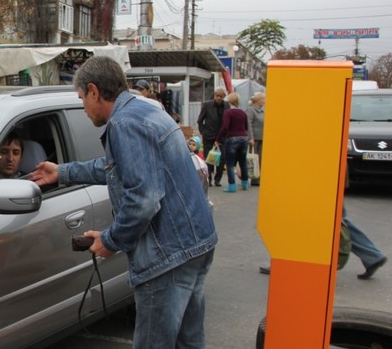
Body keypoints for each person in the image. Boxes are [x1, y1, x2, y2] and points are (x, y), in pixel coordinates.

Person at [29, 56, 217, 348]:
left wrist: (111, 240)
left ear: (94, 91)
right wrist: (62, 171)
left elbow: (143, 199)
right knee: (188, 342)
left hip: (167, 255)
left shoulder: (124, 124)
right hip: (195, 244)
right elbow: (117, 169)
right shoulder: (145, 111)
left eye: (81, 98)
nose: (83, 107)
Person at [259, 207, 387, 279]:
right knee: (337, 219)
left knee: (296, 215)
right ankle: (372, 256)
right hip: (328, 173)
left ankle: (284, 262)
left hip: (321, 173)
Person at [216, 92, 249, 193]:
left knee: (230, 163)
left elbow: (225, 126)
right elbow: (246, 126)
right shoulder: (243, 112)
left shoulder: (228, 113)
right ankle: (245, 183)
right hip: (244, 138)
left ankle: (232, 185)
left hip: (233, 139)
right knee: (242, 161)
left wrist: (218, 138)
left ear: (229, 101)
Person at [197, 87, 229, 187]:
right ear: (214, 96)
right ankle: (209, 179)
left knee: (222, 159)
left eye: (220, 96)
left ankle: (217, 180)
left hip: (222, 136)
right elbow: (200, 120)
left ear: (224, 97)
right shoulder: (207, 105)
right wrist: (203, 132)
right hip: (209, 135)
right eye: (217, 96)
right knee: (208, 159)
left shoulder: (226, 105)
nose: (218, 98)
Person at [247, 92, 266, 186]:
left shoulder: (263, 110)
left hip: (262, 137)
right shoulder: (251, 110)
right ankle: (254, 178)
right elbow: (248, 124)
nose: (264, 101)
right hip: (254, 138)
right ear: (258, 100)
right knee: (254, 159)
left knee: (261, 159)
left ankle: (259, 178)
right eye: (263, 99)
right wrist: (251, 137)